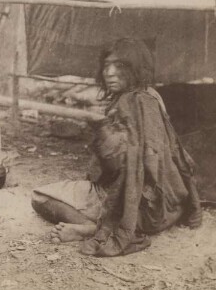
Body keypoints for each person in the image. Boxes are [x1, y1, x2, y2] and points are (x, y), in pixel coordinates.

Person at [31, 38, 202, 256]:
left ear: (136, 68)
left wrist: (101, 131)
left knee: (40, 197)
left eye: (120, 66)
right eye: (106, 66)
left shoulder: (130, 103)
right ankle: (102, 223)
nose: (109, 73)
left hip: (137, 211)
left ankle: (95, 228)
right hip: (169, 207)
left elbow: (120, 166)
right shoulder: (151, 95)